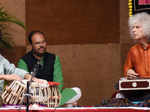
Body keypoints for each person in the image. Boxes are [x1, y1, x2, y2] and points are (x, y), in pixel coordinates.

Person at [17, 31, 81, 106]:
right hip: (34, 96)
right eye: (37, 43)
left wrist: (55, 94)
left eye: (43, 42)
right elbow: (24, 84)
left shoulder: (54, 58)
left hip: (52, 94)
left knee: (77, 91)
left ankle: (46, 105)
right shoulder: (24, 61)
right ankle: (52, 104)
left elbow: (59, 80)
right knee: (25, 98)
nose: (41, 45)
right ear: (31, 45)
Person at [123, 12, 150, 101]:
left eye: (137, 27)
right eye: (132, 28)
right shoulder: (133, 50)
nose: (133, 30)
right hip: (140, 92)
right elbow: (127, 70)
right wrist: (129, 72)